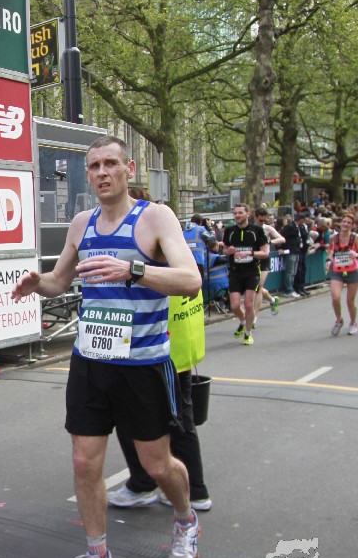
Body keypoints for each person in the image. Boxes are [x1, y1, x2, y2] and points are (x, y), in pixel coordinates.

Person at [11, 135, 202, 558]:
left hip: (143, 365)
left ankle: (185, 520)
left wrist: (133, 271)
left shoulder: (155, 217)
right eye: (94, 165)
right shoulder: (82, 223)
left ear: (129, 169)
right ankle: (98, 557)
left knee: (156, 465)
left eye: (111, 163)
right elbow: (60, 280)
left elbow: (191, 280)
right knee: (84, 461)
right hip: (91, 362)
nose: (102, 173)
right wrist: (38, 284)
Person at [107, 288, 212, 512]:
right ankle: (184, 487)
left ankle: (180, 488)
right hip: (175, 338)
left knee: (139, 415)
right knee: (177, 417)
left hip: (159, 344)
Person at [221, 203, 269, 345]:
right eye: (235, 213)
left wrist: (250, 253)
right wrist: (228, 251)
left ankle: (248, 333)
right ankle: (243, 321)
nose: (237, 215)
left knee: (248, 305)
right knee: (235, 306)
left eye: (240, 213)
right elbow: (224, 250)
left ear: (248, 214)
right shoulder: (229, 231)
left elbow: (265, 253)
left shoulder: (256, 231)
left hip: (252, 272)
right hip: (235, 272)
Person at [327, 214, 358, 336]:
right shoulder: (333, 237)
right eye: (344, 221)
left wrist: (356, 255)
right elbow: (330, 250)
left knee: (350, 301)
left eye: (349, 223)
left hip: (352, 270)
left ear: (352, 225)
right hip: (337, 270)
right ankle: (339, 320)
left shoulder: (355, 237)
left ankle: (353, 323)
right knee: (335, 297)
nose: (345, 224)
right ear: (340, 223)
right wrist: (328, 261)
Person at [254, 207, 285, 315]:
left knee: (258, 287)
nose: (262, 223)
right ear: (255, 217)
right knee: (254, 286)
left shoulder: (267, 228)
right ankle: (272, 300)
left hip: (264, 259)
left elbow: (282, 239)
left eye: (264, 220)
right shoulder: (250, 228)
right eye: (260, 220)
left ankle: (254, 317)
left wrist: (270, 242)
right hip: (252, 259)